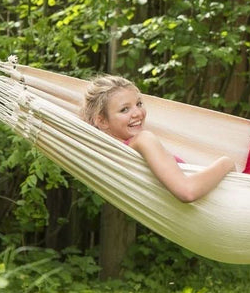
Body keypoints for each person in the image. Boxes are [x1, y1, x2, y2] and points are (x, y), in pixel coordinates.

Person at [83, 74, 237, 202]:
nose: (138, 113)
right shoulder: (143, 139)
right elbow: (187, 191)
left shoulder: (114, 153)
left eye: (139, 103)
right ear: (102, 121)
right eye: (125, 109)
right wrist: (226, 163)